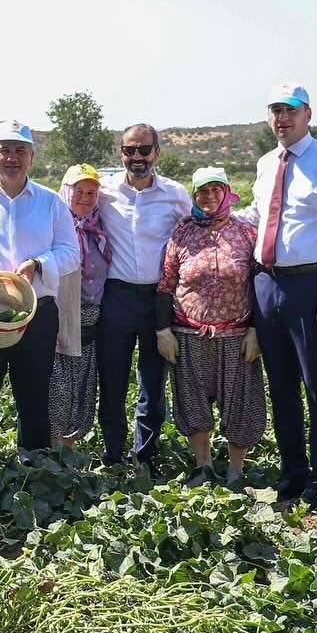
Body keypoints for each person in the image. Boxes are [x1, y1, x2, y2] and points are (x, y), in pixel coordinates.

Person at [242, 83, 317, 508]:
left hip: (311, 285)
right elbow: (259, 215)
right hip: (267, 283)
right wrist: (212, 216)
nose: (281, 118)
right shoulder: (266, 163)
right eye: (274, 110)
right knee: (282, 386)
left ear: (307, 113)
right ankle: (292, 472)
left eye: (290, 110)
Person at [0, 120, 78, 460]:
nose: (12, 158)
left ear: (31, 157)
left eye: (20, 151)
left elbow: (71, 253)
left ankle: (33, 462)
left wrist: (38, 264)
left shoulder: (50, 202)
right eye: (5, 151)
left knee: (34, 392)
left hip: (36, 312)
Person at [154, 167, 264, 486]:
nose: (210, 196)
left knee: (240, 402)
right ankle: (203, 467)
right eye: (202, 191)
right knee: (192, 401)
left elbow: (260, 283)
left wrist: (257, 330)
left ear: (228, 193)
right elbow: (166, 283)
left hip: (237, 335)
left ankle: (235, 471)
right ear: (194, 195)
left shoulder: (245, 233)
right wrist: (163, 331)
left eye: (217, 189)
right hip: (188, 334)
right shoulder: (182, 234)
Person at [94, 124, 191, 470]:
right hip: (116, 296)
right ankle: (113, 454)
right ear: (121, 153)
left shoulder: (175, 194)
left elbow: (194, 233)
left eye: (144, 150)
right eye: (130, 150)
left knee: (153, 381)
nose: (137, 157)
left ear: (157, 153)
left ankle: (145, 455)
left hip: (158, 300)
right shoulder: (104, 193)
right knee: (113, 379)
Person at [48, 164, 113, 448]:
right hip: (59, 319)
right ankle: (49, 454)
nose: (85, 198)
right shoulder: (51, 227)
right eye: (78, 191)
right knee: (56, 392)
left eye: (91, 192)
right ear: (65, 191)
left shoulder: (99, 229)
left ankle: (68, 457)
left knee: (82, 392)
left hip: (90, 321)